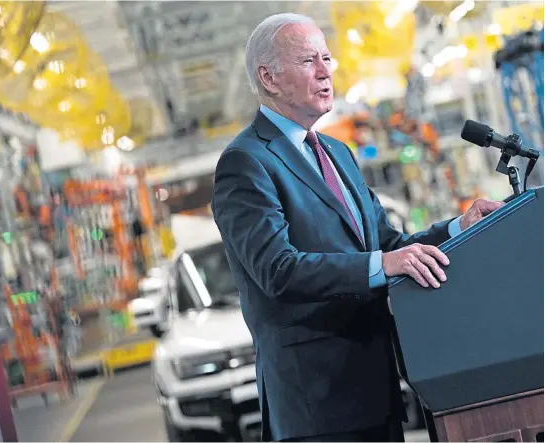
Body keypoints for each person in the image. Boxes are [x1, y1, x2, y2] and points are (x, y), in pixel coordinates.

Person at [211, 13, 503, 443]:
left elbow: (386, 245)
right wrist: (383, 262)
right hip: (315, 405)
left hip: (377, 390)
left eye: (327, 58)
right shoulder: (246, 162)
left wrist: (460, 227)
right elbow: (278, 270)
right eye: (309, 60)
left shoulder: (336, 152)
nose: (326, 71)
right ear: (269, 77)